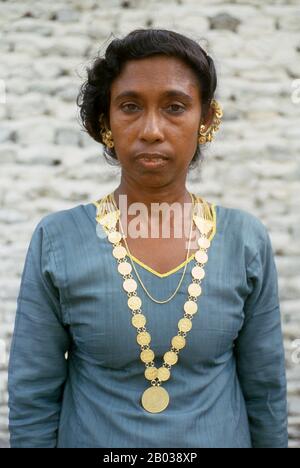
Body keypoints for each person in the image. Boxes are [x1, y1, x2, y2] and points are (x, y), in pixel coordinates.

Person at [8, 28, 288, 448]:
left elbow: (265, 391)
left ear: (206, 120)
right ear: (106, 122)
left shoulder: (244, 240)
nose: (152, 129)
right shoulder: (58, 239)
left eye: (175, 107)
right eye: (130, 107)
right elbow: (33, 396)